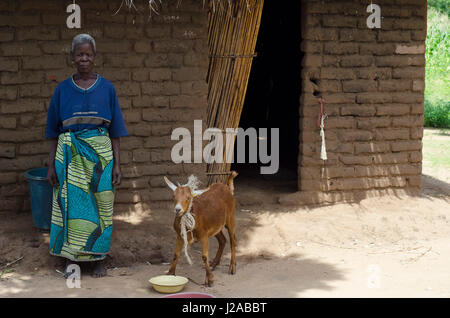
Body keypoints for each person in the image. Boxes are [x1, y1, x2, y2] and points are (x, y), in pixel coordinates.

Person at [45, 34, 128, 278]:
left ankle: (98, 259)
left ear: (95, 57)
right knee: (71, 207)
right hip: (68, 155)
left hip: (101, 156)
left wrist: (117, 165)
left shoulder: (107, 88)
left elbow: (116, 131)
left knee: (102, 205)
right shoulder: (62, 90)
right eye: (79, 54)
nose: (84, 58)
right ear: (72, 58)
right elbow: (52, 131)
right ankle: (74, 260)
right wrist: (51, 165)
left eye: (88, 54)